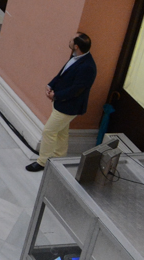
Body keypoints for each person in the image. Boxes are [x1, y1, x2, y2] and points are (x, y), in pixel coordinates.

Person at [29, 33, 96, 172]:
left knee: (49, 131)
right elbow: (62, 74)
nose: (69, 41)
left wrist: (56, 96)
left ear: (76, 46)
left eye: (72, 40)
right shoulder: (76, 56)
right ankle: (59, 157)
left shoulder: (87, 66)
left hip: (69, 106)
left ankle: (42, 162)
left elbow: (76, 90)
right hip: (61, 102)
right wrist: (51, 85)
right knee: (61, 133)